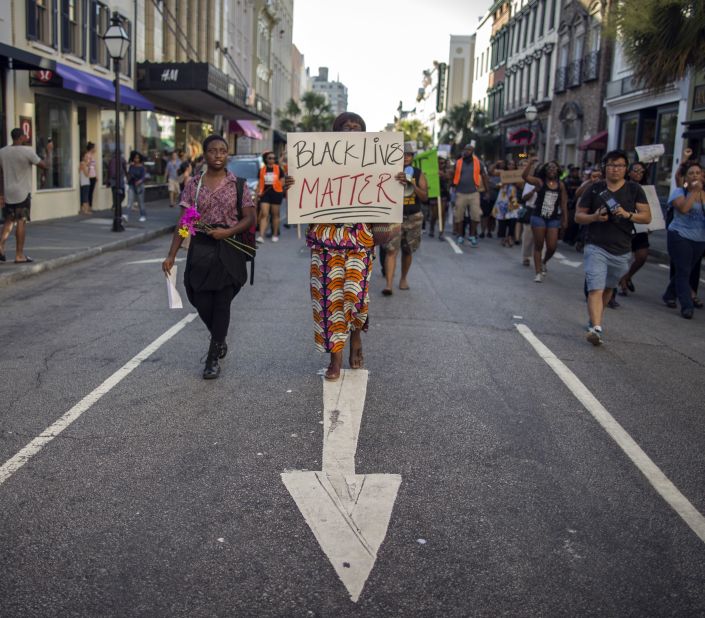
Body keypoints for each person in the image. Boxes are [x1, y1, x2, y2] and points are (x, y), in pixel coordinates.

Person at [284, 112, 406, 381]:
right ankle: (335, 357)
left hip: (359, 241)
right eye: (345, 127)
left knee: (354, 297)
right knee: (328, 300)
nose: (351, 131)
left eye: (357, 127)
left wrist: (398, 186)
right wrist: (291, 187)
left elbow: (387, 202)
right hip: (325, 241)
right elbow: (303, 198)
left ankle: (356, 337)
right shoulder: (316, 163)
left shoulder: (378, 165)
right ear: (334, 133)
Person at [162, 134, 256, 379]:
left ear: (227, 155)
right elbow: (185, 221)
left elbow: (249, 218)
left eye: (222, 150)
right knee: (198, 297)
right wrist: (172, 254)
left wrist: (227, 231)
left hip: (229, 248)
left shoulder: (238, 184)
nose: (217, 154)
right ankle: (220, 338)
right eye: (213, 150)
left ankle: (213, 357)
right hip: (201, 246)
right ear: (204, 154)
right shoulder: (194, 184)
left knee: (222, 301)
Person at [575, 150, 651, 345]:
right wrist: (594, 217)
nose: (615, 169)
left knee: (608, 288)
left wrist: (628, 214)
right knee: (595, 287)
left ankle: (595, 320)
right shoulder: (594, 188)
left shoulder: (634, 189)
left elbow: (646, 217)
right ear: (604, 167)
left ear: (625, 169)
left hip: (622, 248)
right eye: (611, 165)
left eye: (619, 165)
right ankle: (596, 328)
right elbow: (579, 216)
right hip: (596, 245)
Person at [383, 141, 429, 295]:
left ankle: (403, 278)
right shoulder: (390, 171)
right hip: (394, 215)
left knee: (408, 250)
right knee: (391, 250)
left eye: (409, 154)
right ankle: (389, 284)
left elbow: (425, 197)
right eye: (403, 154)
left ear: (412, 157)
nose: (406, 157)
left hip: (413, 216)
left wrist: (412, 184)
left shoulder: (417, 173)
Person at [0, 128, 51, 263]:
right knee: (21, 221)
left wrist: (1, 193)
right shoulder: (27, 151)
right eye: (25, 136)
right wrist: (49, 151)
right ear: (21, 137)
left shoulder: (2, 152)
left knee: (8, 221)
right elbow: (45, 166)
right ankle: (19, 255)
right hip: (22, 193)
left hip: (8, 192)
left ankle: (0, 247)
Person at [662, 161, 705, 319]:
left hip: (699, 239)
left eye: (698, 173)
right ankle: (687, 306)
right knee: (684, 271)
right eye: (691, 173)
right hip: (679, 235)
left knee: (684, 270)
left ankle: (669, 294)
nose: (695, 175)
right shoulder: (678, 192)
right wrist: (694, 192)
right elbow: (684, 208)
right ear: (686, 177)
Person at [522, 159, 568, 282]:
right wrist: (530, 163)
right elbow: (525, 176)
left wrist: (565, 220)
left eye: (554, 168)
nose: (552, 170)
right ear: (545, 171)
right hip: (538, 217)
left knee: (552, 246)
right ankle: (538, 273)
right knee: (539, 245)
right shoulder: (540, 182)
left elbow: (563, 204)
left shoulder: (561, 185)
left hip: (553, 219)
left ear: (558, 171)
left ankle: (544, 261)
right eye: (549, 168)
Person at [617, 161, 651, 296]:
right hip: (624, 226)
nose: (638, 174)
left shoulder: (647, 189)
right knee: (622, 257)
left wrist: (651, 224)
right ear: (629, 172)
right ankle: (619, 285)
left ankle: (627, 276)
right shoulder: (622, 186)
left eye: (641, 171)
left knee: (642, 256)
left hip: (640, 226)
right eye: (635, 170)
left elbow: (651, 210)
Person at [451, 141, 489, 246]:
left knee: (475, 215)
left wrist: (487, 191)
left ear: (472, 151)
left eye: (469, 150)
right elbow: (452, 174)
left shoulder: (478, 162)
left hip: (474, 193)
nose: (466, 151)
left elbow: (484, 176)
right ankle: (460, 235)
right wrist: (451, 185)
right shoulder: (458, 162)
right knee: (459, 215)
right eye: (465, 149)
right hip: (460, 193)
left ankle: (472, 236)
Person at [257, 150, 285, 243]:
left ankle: (275, 234)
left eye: (274, 158)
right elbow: (259, 183)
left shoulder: (278, 168)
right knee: (264, 214)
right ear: (266, 159)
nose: (272, 160)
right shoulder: (262, 170)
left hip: (276, 193)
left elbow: (282, 180)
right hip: (265, 194)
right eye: (270, 158)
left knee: (275, 215)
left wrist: (278, 184)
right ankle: (261, 236)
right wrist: (257, 193)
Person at [428, 154, 451, 240]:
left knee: (442, 214)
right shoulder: (432, 170)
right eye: (440, 163)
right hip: (434, 194)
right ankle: (431, 227)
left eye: (443, 163)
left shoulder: (446, 171)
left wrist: (443, 175)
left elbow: (449, 178)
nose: (442, 165)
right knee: (434, 214)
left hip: (443, 194)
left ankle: (441, 232)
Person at [493, 181, 520, 247]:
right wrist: (503, 184)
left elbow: (520, 187)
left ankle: (510, 237)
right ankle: (504, 238)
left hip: (512, 203)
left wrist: (516, 184)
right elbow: (496, 186)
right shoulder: (503, 179)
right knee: (502, 220)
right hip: (502, 203)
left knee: (513, 220)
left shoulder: (516, 179)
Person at [126, 151, 147, 222]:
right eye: (135, 158)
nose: (136, 159)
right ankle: (126, 215)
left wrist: (139, 181)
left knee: (140, 202)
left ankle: (143, 215)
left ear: (140, 159)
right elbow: (129, 174)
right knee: (129, 202)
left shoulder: (142, 168)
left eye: (137, 158)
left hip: (139, 186)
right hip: (131, 185)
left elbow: (143, 177)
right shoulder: (131, 166)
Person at [84, 142, 98, 212]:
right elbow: (86, 164)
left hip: (93, 175)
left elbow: (94, 166)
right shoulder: (87, 155)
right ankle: (88, 206)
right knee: (88, 191)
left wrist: (96, 175)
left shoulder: (93, 156)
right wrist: (88, 160)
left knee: (91, 191)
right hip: (89, 175)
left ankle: (90, 205)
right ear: (91, 148)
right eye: (94, 148)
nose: (95, 149)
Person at [79, 148, 92, 215]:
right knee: (85, 196)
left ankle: (85, 209)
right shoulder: (83, 164)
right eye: (86, 156)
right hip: (84, 182)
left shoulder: (85, 164)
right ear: (83, 157)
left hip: (86, 182)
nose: (88, 158)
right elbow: (86, 174)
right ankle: (85, 210)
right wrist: (89, 167)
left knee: (86, 195)